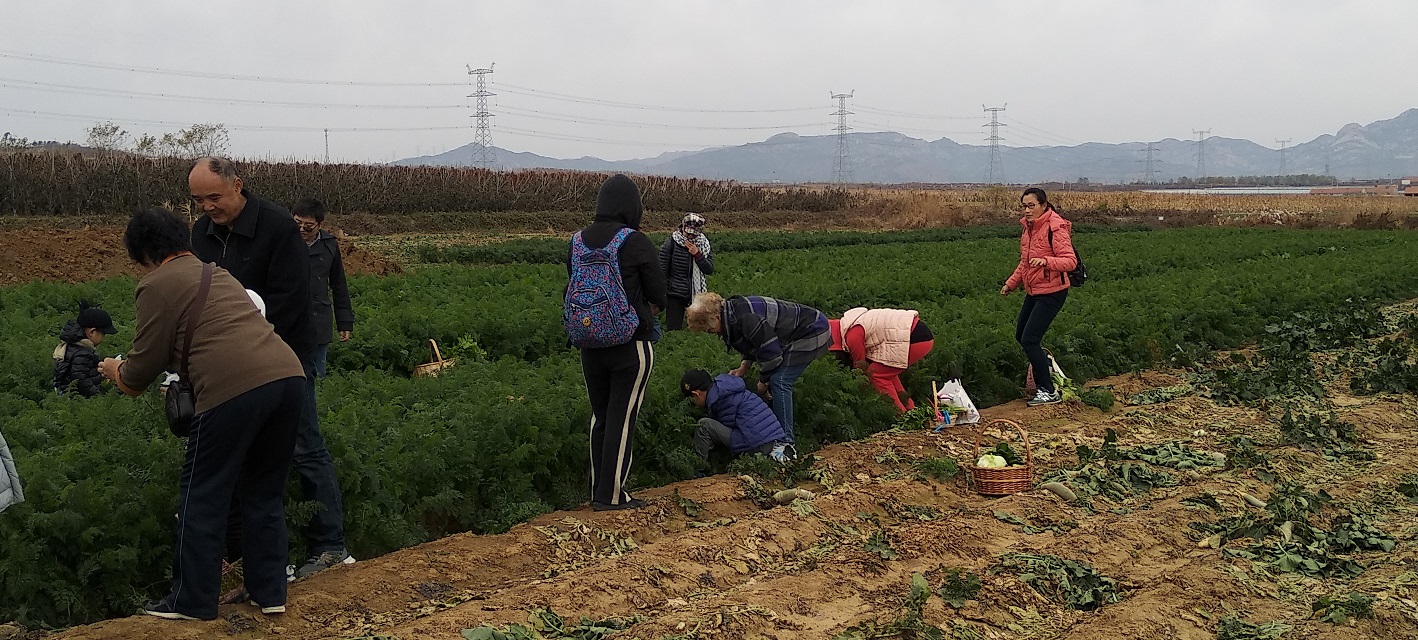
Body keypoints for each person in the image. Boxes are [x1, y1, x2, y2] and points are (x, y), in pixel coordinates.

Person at [97, 207, 305, 621]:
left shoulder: (157, 283)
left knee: (202, 495)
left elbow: (140, 370)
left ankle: (191, 601)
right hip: (288, 378)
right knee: (262, 493)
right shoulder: (218, 273)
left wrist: (113, 369)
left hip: (233, 390)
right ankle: (270, 592)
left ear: (141, 252)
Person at [186, 157, 349, 579]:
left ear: (237, 185)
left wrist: (253, 345)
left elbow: (291, 302)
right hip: (228, 364)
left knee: (303, 445)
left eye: (214, 197)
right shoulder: (202, 233)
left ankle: (330, 545)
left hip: (286, 354)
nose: (206, 206)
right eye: (198, 199)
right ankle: (254, 560)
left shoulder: (278, 227)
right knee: (240, 454)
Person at [568, 174, 666, 511]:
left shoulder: (577, 241)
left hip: (589, 344)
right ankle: (612, 498)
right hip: (630, 344)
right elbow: (659, 294)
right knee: (622, 419)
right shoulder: (634, 241)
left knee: (601, 417)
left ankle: (599, 492)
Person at [684, 292, 830, 446]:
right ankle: (776, 430)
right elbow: (753, 342)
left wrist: (763, 382)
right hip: (795, 333)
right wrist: (743, 367)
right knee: (774, 379)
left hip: (813, 329)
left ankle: (785, 442)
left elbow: (772, 354)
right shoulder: (732, 313)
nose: (713, 333)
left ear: (716, 318)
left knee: (780, 381)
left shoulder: (745, 319)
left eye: (709, 330)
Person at [1000, 187, 1077, 407]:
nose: (1027, 210)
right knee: (1021, 335)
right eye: (1024, 206)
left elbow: (1070, 261)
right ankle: (1046, 369)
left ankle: (1048, 391)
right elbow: (1025, 262)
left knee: (1030, 339)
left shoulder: (1055, 227)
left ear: (1044, 205)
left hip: (1053, 292)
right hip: (1035, 290)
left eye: (1031, 205)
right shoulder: (1029, 229)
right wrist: (1011, 284)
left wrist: (1046, 261)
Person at [292, 198, 354, 378]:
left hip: (319, 318)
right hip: (288, 319)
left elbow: (339, 285)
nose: (302, 229)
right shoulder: (283, 241)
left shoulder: (329, 245)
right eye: (298, 223)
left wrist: (344, 322)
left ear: (319, 225)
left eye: (308, 226)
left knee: (317, 372)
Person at [828, 308, 934, 413]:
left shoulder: (852, 337)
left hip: (912, 339)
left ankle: (900, 416)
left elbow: (861, 370)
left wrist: (862, 388)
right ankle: (911, 410)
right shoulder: (855, 322)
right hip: (919, 333)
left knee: (876, 375)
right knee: (887, 373)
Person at [681, 369, 789, 467]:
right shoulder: (726, 389)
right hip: (773, 438)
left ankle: (699, 469)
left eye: (692, 399)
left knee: (704, 426)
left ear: (697, 394)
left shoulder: (719, 400)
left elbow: (726, 428)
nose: (693, 404)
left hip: (757, 444)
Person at [659, 213, 713, 330]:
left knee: (697, 330)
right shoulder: (671, 243)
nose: (689, 237)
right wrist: (665, 290)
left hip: (696, 295)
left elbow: (709, 269)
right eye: (687, 233)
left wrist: (697, 255)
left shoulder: (704, 244)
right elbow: (662, 269)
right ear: (682, 227)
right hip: (675, 294)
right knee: (673, 329)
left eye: (693, 234)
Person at [52, 303, 118, 397]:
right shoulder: (82, 353)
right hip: (75, 397)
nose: (103, 338)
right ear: (92, 332)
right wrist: (98, 396)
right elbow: (81, 381)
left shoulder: (72, 346)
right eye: (103, 334)